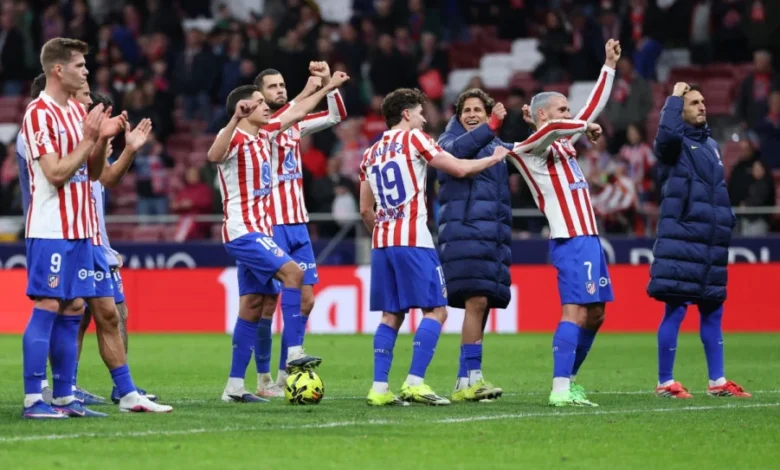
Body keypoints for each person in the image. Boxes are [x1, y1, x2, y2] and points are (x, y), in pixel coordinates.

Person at [20, 38, 171, 418]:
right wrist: (91, 137)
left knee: (74, 307)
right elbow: (56, 173)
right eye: (80, 65)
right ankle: (33, 399)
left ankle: (64, 398)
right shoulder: (39, 114)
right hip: (51, 228)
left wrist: (104, 139)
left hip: (83, 231)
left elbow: (95, 174)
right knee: (49, 303)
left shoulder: (76, 112)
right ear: (59, 70)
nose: (86, 71)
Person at [360, 88, 509, 407]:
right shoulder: (416, 139)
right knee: (436, 311)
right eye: (419, 113)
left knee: (391, 315)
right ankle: (415, 382)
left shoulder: (370, 153)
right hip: (414, 239)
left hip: (382, 242)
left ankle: (379, 388)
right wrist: (492, 159)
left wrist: (385, 232)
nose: (424, 119)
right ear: (406, 114)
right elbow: (457, 168)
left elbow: (364, 209)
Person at [207, 72, 349, 403]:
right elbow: (213, 155)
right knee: (293, 274)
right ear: (244, 108)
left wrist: (327, 87)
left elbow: (296, 111)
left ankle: (234, 387)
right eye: (259, 102)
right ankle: (293, 353)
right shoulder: (234, 138)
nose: (266, 107)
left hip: (262, 229)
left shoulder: (265, 135)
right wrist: (234, 119)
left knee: (252, 306)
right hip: (243, 231)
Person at [509, 39, 621, 407]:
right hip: (570, 238)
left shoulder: (560, 142)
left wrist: (608, 66)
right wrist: (583, 125)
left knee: (597, 313)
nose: (568, 113)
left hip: (589, 237)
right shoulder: (533, 146)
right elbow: (551, 131)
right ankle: (559, 389)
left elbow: (591, 107)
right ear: (542, 114)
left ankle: (569, 381)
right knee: (574, 310)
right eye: (561, 109)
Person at [250, 61, 347, 397]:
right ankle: (263, 380)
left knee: (306, 300)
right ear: (259, 95)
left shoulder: (296, 124)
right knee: (266, 304)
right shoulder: (262, 127)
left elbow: (335, 116)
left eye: (282, 85)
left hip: (298, 224)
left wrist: (329, 84)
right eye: (272, 86)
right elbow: (288, 115)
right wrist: (315, 88)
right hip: (271, 222)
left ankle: (285, 377)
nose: (280, 89)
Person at [649, 82, 751, 399]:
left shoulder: (711, 146)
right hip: (683, 238)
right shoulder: (674, 145)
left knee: (713, 310)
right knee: (676, 308)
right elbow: (665, 136)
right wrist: (674, 98)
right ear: (679, 111)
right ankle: (665, 382)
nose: (703, 106)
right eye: (693, 103)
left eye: (703, 101)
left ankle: (717, 381)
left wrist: (726, 220)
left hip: (710, 243)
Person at [81, 92, 159, 405]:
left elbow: (109, 178)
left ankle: (122, 388)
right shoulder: (74, 146)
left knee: (117, 314)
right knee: (78, 316)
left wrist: (129, 149)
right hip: (79, 242)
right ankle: (63, 387)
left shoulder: (96, 152)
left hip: (100, 245)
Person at [436, 88, 511, 402]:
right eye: (466, 110)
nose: (471, 115)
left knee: (483, 304)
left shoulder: (495, 146)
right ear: (457, 115)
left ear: (487, 113)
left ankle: (464, 379)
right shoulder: (446, 142)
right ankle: (473, 378)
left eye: (478, 110)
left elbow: (527, 149)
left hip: (492, 237)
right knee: (477, 300)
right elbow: (460, 152)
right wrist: (490, 127)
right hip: (464, 233)